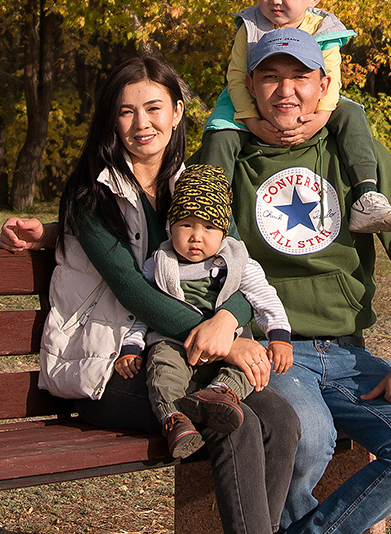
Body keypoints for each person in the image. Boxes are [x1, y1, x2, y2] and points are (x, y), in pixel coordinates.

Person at [0, 54, 323, 534]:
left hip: (184, 362)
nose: (141, 123)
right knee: (230, 421)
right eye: (126, 111)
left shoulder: (188, 183)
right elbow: (135, 292)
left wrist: (229, 318)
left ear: (178, 113)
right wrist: (226, 343)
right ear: (111, 121)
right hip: (110, 370)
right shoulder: (93, 194)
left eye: (154, 108)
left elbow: (232, 261)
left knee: (279, 418)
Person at [213, 25, 391, 534]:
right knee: (308, 438)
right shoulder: (230, 151)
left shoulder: (353, 152)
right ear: (251, 86)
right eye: (270, 76)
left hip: (348, 354)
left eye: (299, 76)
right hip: (274, 347)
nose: (285, 91)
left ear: (324, 83)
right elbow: (174, 225)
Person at [198, 0, 391, 232]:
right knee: (220, 131)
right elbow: (235, 76)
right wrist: (251, 120)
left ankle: (365, 195)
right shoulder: (250, 25)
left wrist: (319, 118)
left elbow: (331, 80)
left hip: (314, 101)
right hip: (248, 94)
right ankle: (210, 209)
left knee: (352, 115)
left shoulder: (325, 29)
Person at [114, 163, 293, 460]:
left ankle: (222, 393)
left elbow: (264, 298)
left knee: (250, 363)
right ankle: (175, 421)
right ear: (171, 225)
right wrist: (131, 346)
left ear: (223, 231)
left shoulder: (238, 261)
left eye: (208, 227)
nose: (196, 236)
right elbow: (142, 310)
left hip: (227, 344)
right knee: (161, 369)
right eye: (186, 225)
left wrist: (279, 336)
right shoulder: (159, 263)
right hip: (173, 343)